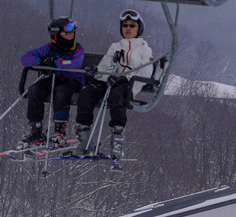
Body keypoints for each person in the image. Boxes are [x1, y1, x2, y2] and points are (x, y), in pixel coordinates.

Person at [75, 9, 152, 157]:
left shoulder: (144, 49)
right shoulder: (115, 46)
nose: (128, 28)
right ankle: (84, 139)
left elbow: (145, 72)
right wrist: (95, 71)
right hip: (108, 80)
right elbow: (105, 67)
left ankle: (117, 139)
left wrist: (125, 78)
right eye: (125, 25)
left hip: (127, 84)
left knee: (116, 96)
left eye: (132, 25)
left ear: (139, 28)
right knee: (86, 93)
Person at [20, 17, 86, 146]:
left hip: (73, 80)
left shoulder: (77, 48)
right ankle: (36, 129)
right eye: (67, 33)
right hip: (53, 78)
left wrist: (55, 62)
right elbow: (25, 57)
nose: (71, 35)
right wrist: (41, 62)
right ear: (56, 35)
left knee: (60, 92)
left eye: (72, 32)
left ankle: (59, 131)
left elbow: (74, 64)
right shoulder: (48, 48)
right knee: (34, 89)